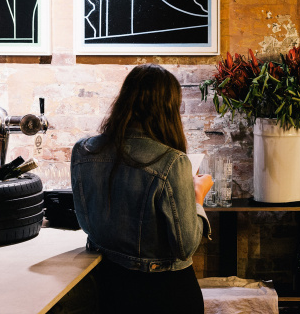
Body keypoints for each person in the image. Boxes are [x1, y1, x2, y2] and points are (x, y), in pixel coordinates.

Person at [70, 64, 214, 314]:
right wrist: (197, 196)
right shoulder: (173, 162)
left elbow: (86, 223)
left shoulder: (84, 151)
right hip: (164, 294)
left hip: (108, 287)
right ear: (168, 108)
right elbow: (186, 247)